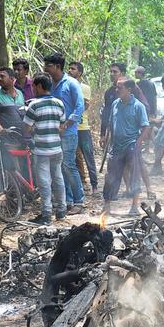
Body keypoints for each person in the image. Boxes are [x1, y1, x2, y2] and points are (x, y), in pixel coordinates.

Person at [42, 52, 85, 214]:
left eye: (48, 66)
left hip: (68, 132)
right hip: (53, 134)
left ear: (58, 67)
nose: (46, 69)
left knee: (69, 166)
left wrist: (66, 125)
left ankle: (79, 201)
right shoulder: (49, 84)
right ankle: (67, 200)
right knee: (59, 168)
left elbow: (79, 107)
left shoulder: (71, 83)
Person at [21, 74, 66, 224]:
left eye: (34, 86)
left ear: (39, 86)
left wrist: (35, 130)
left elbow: (26, 128)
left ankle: (46, 214)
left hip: (41, 150)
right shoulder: (59, 103)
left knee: (44, 182)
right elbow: (62, 126)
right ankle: (61, 210)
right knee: (58, 178)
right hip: (56, 148)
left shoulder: (34, 106)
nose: (32, 89)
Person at [103, 79, 149, 217]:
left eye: (120, 87)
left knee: (134, 175)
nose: (117, 90)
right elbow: (111, 123)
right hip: (116, 147)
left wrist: (138, 142)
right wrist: (107, 138)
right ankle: (107, 206)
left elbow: (146, 126)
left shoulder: (138, 106)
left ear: (129, 89)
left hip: (131, 145)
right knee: (111, 176)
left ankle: (134, 206)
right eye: (116, 87)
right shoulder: (115, 104)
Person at [68, 61, 97, 193]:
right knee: (75, 156)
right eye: (69, 68)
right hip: (71, 127)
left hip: (83, 127)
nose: (70, 71)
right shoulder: (66, 86)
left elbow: (84, 106)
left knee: (88, 156)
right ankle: (82, 182)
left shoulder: (84, 88)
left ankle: (94, 185)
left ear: (79, 73)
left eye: (73, 69)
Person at [0, 65, 24, 133]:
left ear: (12, 79)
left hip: (21, 136)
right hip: (5, 137)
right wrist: (0, 130)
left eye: (2, 76)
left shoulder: (20, 93)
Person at [99, 61, 126, 144]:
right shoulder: (109, 92)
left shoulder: (131, 89)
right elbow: (106, 113)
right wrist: (102, 134)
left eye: (115, 72)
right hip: (114, 131)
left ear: (122, 73)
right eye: (110, 72)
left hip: (129, 133)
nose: (112, 74)